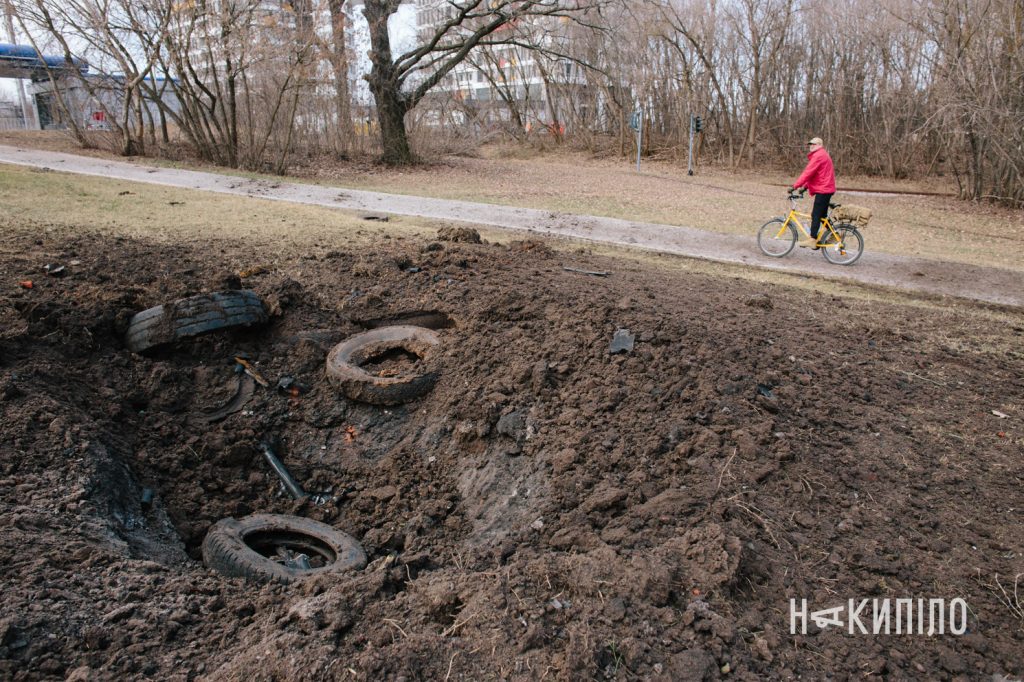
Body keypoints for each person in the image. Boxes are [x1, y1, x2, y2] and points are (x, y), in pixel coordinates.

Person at [792, 136, 836, 248]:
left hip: (824, 190)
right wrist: (805, 187)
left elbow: (807, 172)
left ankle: (812, 239)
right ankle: (835, 235)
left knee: (815, 215)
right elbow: (816, 175)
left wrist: (795, 186)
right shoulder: (821, 155)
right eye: (810, 144)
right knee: (822, 216)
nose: (811, 146)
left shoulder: (819, 156)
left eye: (814, 144)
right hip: (826, 189)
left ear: (820, 145)